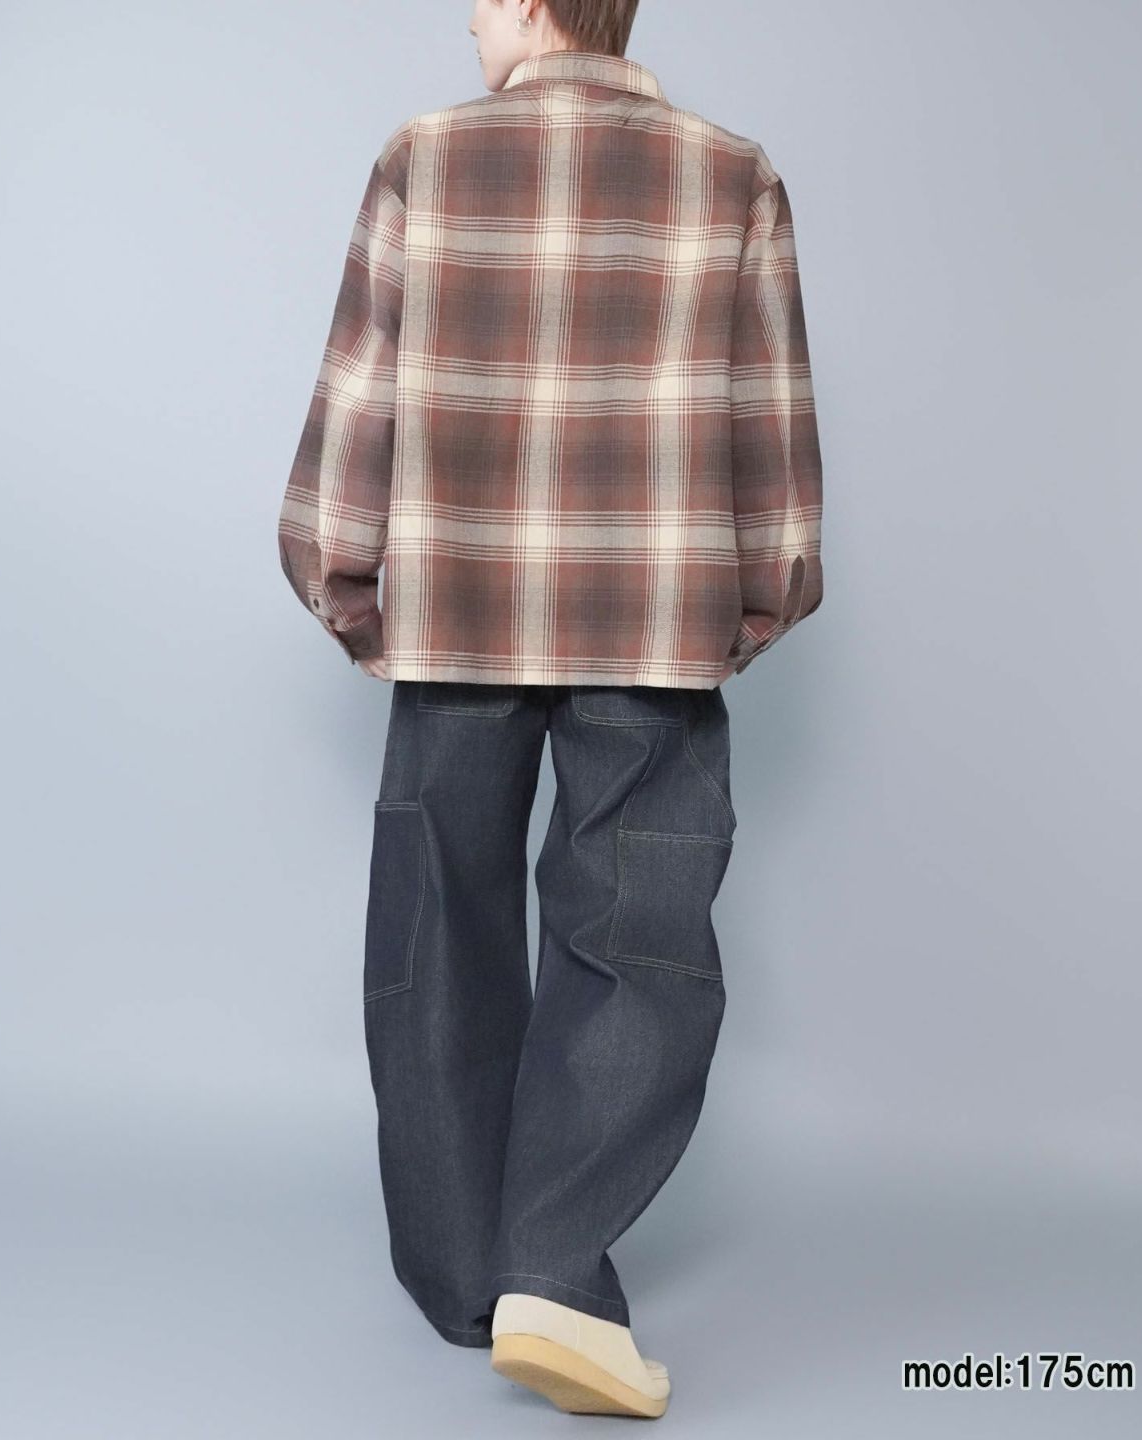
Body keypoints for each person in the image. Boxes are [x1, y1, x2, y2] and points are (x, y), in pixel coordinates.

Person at [277, 0, 823, 1418]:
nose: (465, 21)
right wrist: (754, 605)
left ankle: (470, 1274)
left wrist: (350, 588)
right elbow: (772, 428)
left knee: (438, 929)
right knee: (637, 940)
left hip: (454, 614)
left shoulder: (422, 158)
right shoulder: (733, 171)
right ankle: (554, 1270)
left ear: (530, 3)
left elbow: (355, 402)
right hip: (654, 620)